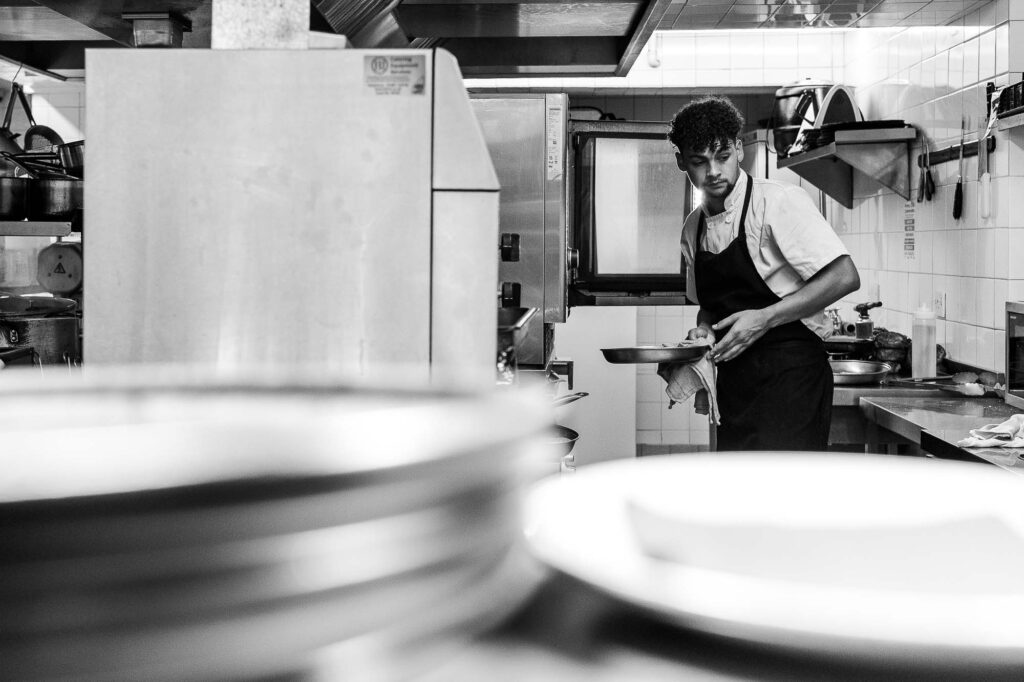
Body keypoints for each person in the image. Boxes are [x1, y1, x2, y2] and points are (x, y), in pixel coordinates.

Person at [665, 96, 860, 451]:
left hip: (792, 381)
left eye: (723, 156)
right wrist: (703, 331)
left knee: (781, 485)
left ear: (739, 149)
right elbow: (708, 307)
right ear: (681, 162)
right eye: (699, 161)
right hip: (735, 386)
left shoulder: (777, 202)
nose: (713, 171)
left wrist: (765, 319)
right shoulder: (692, 229)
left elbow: (844, 276)